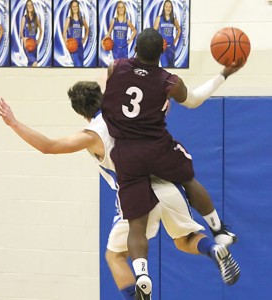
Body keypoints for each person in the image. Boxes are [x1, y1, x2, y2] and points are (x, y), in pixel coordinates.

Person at [0, 81, 239, 300]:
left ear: (81, 113)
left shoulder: (91, 135)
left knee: (115, 256)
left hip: (136, 196)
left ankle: (137, 294)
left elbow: (48, 147)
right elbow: (163, 103)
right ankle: (213, 248)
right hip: (167, 186)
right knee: (184, 239)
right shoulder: (129, 112)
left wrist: (14, 123)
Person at [101, 28, 243, 299]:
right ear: (164, 49)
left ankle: (142, 273)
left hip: (127, 153)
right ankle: (218, 230)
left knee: (136, 226)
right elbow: (195, 100)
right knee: (188, 178)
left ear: (135, 47)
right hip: (157, 148)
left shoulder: (115, 67)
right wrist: (223, 73)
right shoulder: (169, 81)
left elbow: (118, 80)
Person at [153, 0, 181, 67]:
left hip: (171, 47)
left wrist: (174, 41)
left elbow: (179, 30)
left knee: (172, 67)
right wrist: (158, 42)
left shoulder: (174, 20)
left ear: (172, 8)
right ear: (164, 7)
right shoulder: (159, 18)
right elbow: (154, 32)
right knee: (165, 66)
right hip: (163, 47)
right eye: (166, 6)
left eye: (170, 7)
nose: (168, 8)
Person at [63, 0, 89, 67]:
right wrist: (66, 43)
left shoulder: (82, 19)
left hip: (80, 46)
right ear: (71, 8)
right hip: (73, 46)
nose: (75, 8)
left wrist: (84, 39)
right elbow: (64, 33)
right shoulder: (69, 19)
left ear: (78, 7)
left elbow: (87, 29)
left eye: (76, 6)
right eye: (73, 6)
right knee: (78, 65)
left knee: (81, 65)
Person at [20, 0, 42, 67]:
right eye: (28, 5)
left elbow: (41, 30)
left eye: (31, 5)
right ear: (26, 7)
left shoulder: (36, 17)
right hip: (27, 45)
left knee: (30, 64)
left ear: (33, 6)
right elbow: (21, 32)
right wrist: (24, 39)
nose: (30, 6)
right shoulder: (24, 18)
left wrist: (39, 40)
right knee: (35, 63)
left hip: (34, 44)